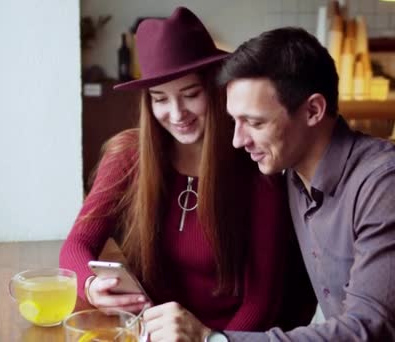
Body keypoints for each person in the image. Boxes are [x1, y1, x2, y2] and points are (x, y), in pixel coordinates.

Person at [194, 27, 395, 341]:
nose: (237, 140)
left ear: (313, 110)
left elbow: (368, 330)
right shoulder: (291, 176)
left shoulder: (394, 183)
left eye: (256, 123)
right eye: (236, 121)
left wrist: (215, 340)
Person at [59, 8, 315, 340]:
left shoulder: (256, 167)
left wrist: (209, 339)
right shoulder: (128, 155)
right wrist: (91, 285)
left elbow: (261, 303)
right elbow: (77, 243)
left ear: (215, 89)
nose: (176, 114)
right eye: (160, 99)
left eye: (190, 95)